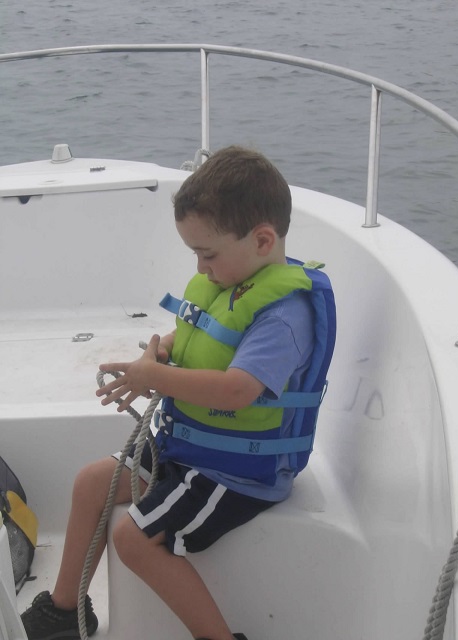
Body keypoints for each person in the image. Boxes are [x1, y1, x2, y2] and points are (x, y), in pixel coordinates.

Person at [21, 146, 336, 640]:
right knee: (90, 483)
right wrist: (159, 355)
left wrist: (157, 380)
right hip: (189, 445)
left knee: (133, 538)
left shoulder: (283, 316)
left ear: (262, 240)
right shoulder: (235, 281)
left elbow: (237, 390)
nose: (200, 266)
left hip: (235, 471)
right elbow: (203, 337)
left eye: (207, 254)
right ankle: (63, 612)